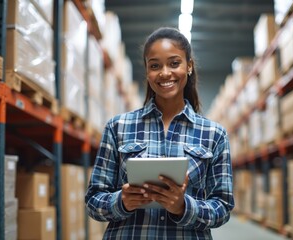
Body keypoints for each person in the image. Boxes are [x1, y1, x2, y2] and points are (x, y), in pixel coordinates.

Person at [85, 27, 234, 239]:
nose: (165, 73)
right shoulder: (117, 127)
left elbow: (223, 207)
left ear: (189, 66)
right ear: (147, 71)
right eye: (155, 66)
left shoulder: (214, 134)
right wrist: (122, 202)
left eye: (174, 63)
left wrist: (184, 207)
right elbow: (93, 201)